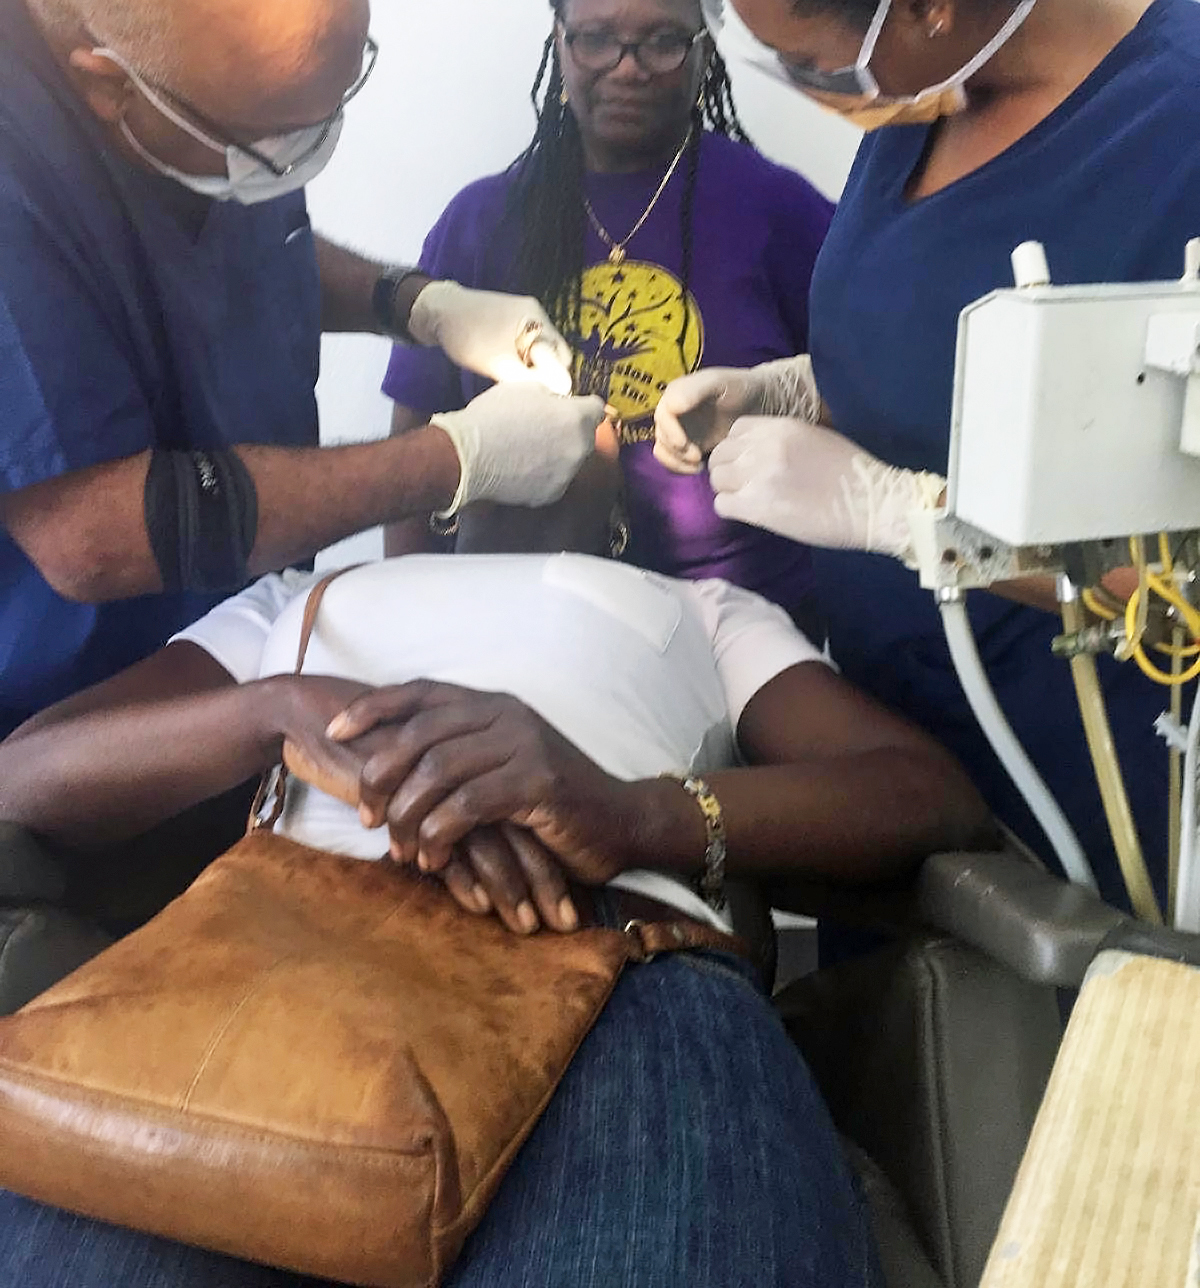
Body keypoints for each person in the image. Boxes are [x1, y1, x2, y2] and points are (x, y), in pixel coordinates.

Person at [0, 420, 993, 1287]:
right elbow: (25, 771)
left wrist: (627, 814)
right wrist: (276, 710)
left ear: (619, 509)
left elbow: (923, 795)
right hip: (268, 961)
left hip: (620, 969)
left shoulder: (704, 609)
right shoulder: (304, 599)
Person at [653, 0, 1200, 913]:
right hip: (901, 770)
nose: (806, 88)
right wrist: (782, 385)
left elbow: (1189, 587)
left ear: (922, 5)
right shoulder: (931, 97)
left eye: (807, 57)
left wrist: (898, 515)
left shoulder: (1178, 137)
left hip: (1094, 813)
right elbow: (939, 345)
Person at [0, 0, 602, 751]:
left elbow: (237, 245)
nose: (306, 158)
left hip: (254, 637)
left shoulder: (168, 46)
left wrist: (416, 305)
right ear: (109, 82)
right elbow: (93, 537)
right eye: (280, 145)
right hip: (75, 726)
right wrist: (456, 460)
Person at [382, 0, 832, 632]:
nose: (628, 68)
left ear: (703, 49)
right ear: (559, 43)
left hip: (736, 623)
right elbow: (412, 452)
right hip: (517, 616)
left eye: (662, 41)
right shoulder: (479, 223)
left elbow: (863, 389)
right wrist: (402, 619)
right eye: (596, 39)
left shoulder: (775, 209)